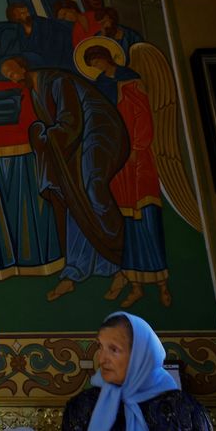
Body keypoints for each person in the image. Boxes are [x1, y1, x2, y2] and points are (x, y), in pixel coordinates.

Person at [0, 57, 129, 301]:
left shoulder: (57, 81)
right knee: (72, 197)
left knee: (93, 189)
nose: (13, 78)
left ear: (23, 64)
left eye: (12, 72)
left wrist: (44, 135)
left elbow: (71, 121)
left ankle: (117, 261)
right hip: (76, 143)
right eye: (8, 77)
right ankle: (75, 271)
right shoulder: (37, 92)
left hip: (99, 131)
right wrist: (42, 135)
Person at [84, 46, 170, 308]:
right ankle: (135, 286)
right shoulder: (100, 85)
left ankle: (162, 285)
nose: (97, 66)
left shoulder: (129, 80)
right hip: (118, 161)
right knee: (125, 224)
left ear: (106, 57)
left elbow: (143, 116)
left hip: (138, 161)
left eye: (97, 60)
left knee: (147, 220)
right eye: (92, 63)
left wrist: (137, 147)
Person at [62, 312, 212, 430]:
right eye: (100, 347)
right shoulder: (82, 406)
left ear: (140, 355)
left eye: (114, 349)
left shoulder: (185, 409)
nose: (102, 359)